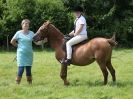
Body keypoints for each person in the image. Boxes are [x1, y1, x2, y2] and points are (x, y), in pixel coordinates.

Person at [10, 19, 34, 84]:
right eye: (24, 23)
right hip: (21, 54)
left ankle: (30, 83)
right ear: (22, 25)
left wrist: (44, 41)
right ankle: (17, 83)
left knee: (28, 69)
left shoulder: (32, 33)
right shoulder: (18, 33)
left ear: (29, 25)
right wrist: (19, 46)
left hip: (29, 54)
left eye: (27, 23)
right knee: (21, 68)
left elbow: (36, 42)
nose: (26, 25)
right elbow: (12, 41)